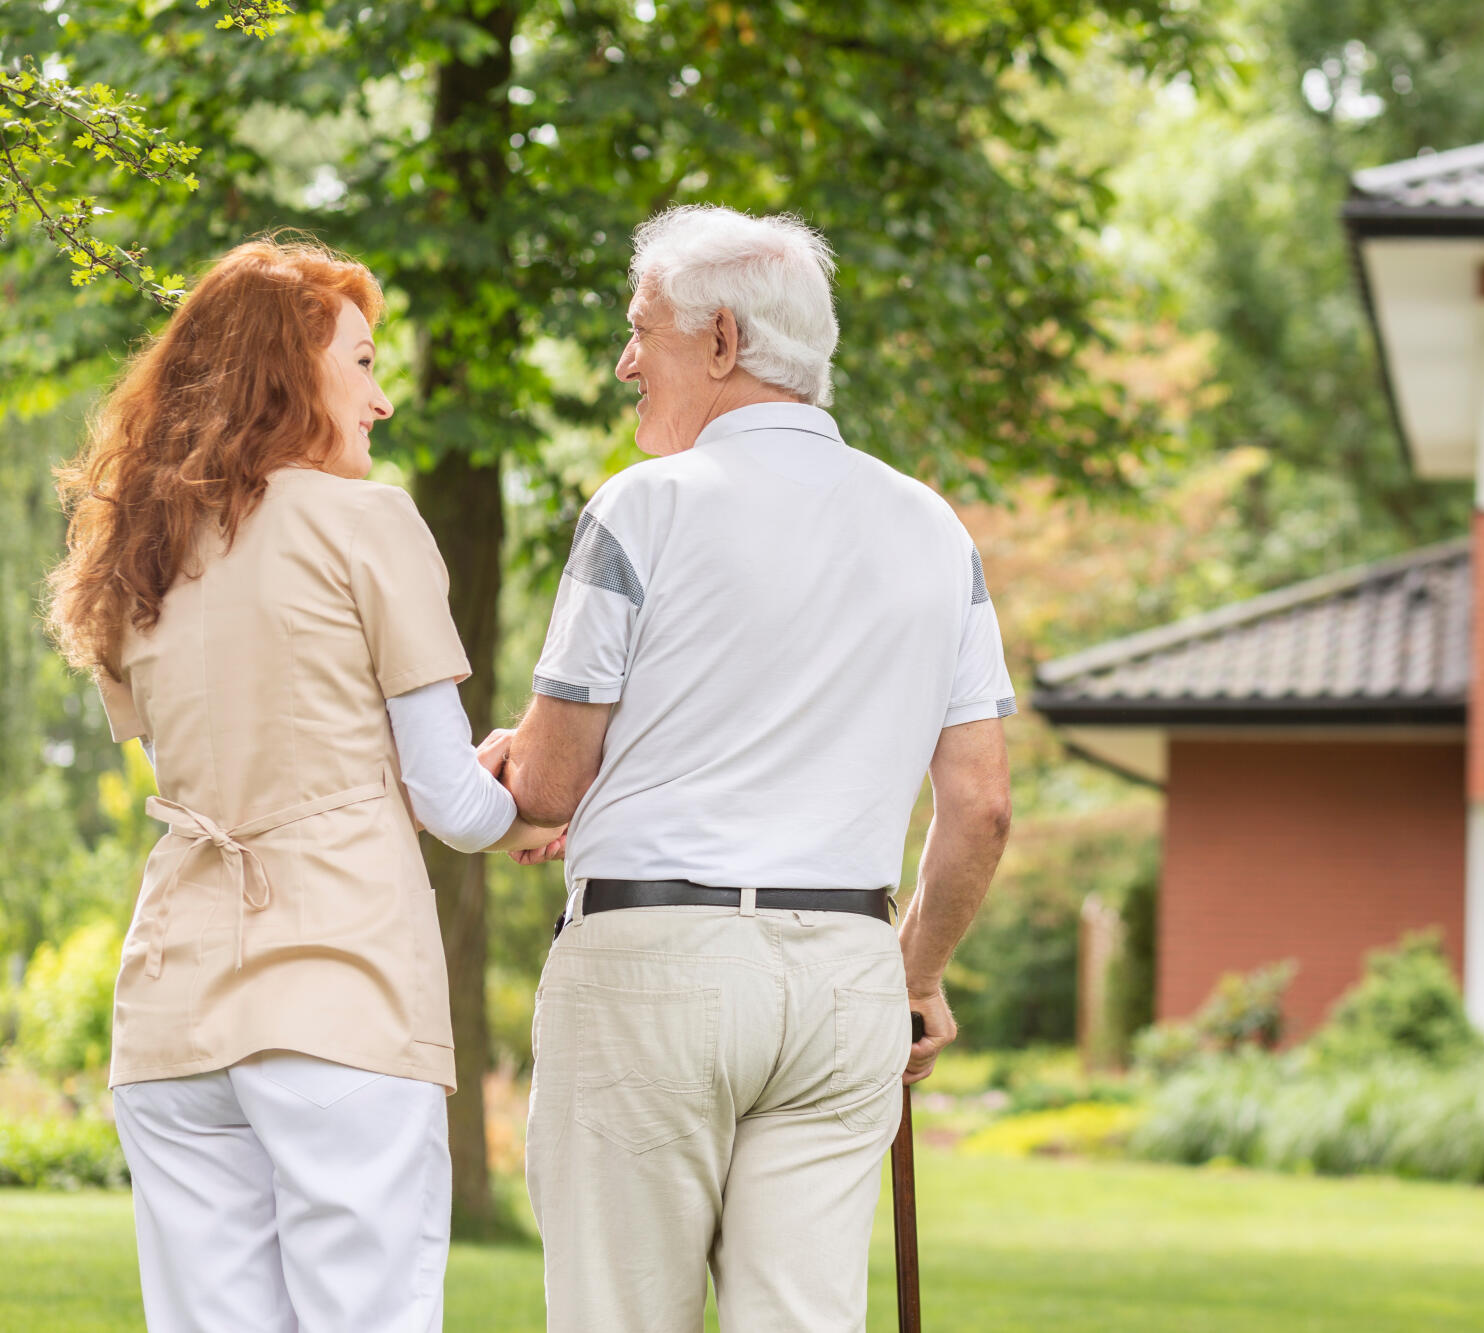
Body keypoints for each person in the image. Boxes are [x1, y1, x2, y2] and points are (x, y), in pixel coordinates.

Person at [484, 204, 1015, 1332]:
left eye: (643, 332)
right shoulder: (933, 529)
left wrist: (504, 763)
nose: (627, 362)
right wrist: (910, 978)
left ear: (720, 342)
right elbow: (980, 807)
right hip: (843, 980)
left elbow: (546, 787)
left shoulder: (644, 506)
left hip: (650, 969)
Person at [45, 237, 561, 1333]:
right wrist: (535, 790)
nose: (380, 400)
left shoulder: (139, 554)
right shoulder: (365, 523)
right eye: (362, 364)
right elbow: (452, 808)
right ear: (289, 375)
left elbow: (227, 763)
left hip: (173, 1011)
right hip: (340, 991)